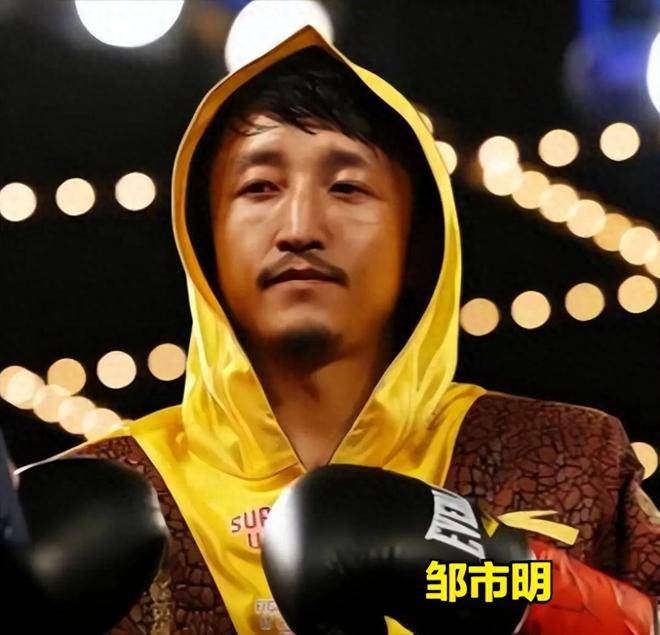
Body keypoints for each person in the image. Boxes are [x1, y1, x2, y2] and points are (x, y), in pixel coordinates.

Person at [59, 26, 657, 634]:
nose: (299, 228)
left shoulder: (568, 455)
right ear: (202, 237)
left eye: (347, 188)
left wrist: (519, 584)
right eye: (259, 188)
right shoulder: (96, 494)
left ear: (417, 242)